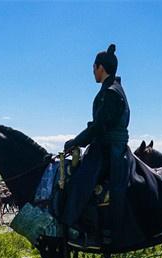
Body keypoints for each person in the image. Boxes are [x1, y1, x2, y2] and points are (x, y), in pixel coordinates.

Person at [62, 43, 130, 246]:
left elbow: (99, 127)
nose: (92, 71)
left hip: (109, 149)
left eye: (93, 67)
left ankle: (75, 229)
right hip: (111, 146)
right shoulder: (114, 89)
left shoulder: (110, 92)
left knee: (79, 182)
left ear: (101, 67)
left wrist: (75, 142)